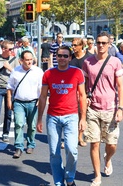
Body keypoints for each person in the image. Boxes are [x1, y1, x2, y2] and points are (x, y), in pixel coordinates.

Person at [37, 45, 87, 186]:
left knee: (72, 150)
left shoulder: (77, 73)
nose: (62, 58)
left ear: (70, 58)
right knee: (54, 152)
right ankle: (58, 182)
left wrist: (83, 118)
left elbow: (82, 96)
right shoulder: (48, 73)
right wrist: (39, 119)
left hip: (71, 116)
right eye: (60, 55)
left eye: (65, 56)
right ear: (56, 57)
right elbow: (42, 97)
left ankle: (70, 178)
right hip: (53, 117)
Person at [82, 31, 123, 186]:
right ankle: (97, 175)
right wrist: (85, 97)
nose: (100, 45)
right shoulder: (88, 62)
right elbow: (85, 85)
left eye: (103, 43)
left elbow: (120, 87)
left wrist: (120, 108)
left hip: (111, 108)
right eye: (98, 42)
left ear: (109, 44)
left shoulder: (115, 62)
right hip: (93, 108)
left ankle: (107, 158)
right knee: (94, 143)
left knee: (111, 144)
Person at [7, 51, 44, 158]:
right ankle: (18, 147)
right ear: (21, 60)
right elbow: (10, 87)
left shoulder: (38, 71)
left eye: (31, 59)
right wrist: (9, 100)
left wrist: (40, 99)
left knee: (32, 126)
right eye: (27, 60)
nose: (29, 62)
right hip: (19, 102)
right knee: (19, 124)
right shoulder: (15, 71)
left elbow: (42, 87)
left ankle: (30, 144)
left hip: (33, 102)